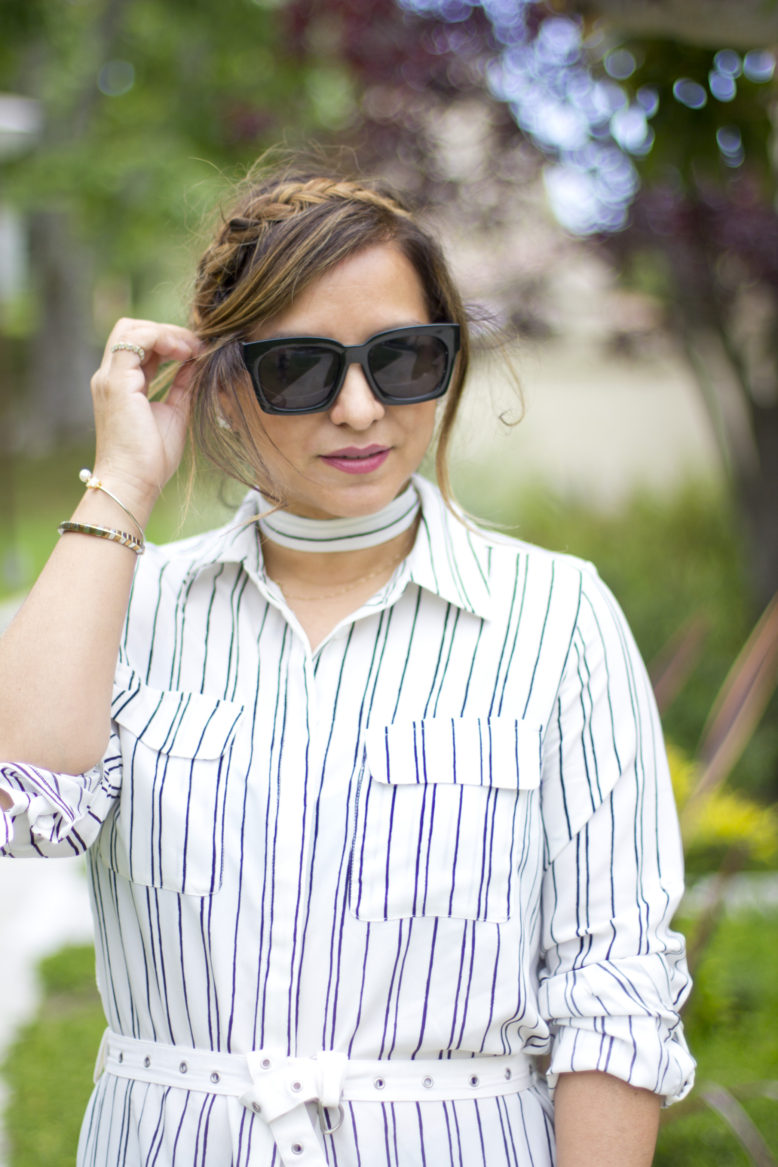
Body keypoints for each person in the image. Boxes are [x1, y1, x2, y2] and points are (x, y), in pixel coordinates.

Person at [0, 161, 694, 1167]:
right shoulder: (128, 603)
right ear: (224, 386)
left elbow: (613, 982)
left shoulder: (557, 616)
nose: (362, 410)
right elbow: (20, 806)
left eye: (403, 359)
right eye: (300, 369)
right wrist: (120, 482)